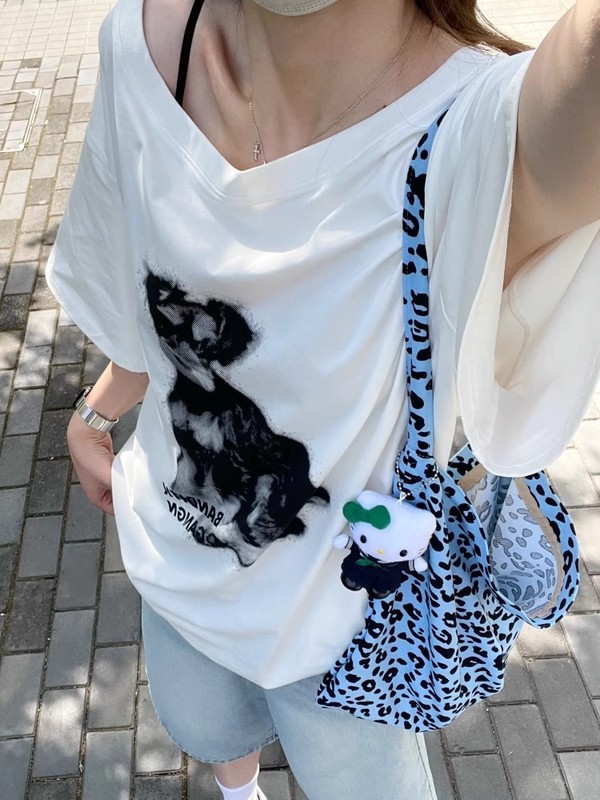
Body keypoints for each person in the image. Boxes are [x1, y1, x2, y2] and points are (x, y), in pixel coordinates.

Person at [46, 0, 600, 798]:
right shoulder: (145, 48)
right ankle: (240, 791)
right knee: (210, 730)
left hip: (349, 636)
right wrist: (97, 412)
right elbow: (152, 315)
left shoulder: (482, 135)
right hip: (177, 575)